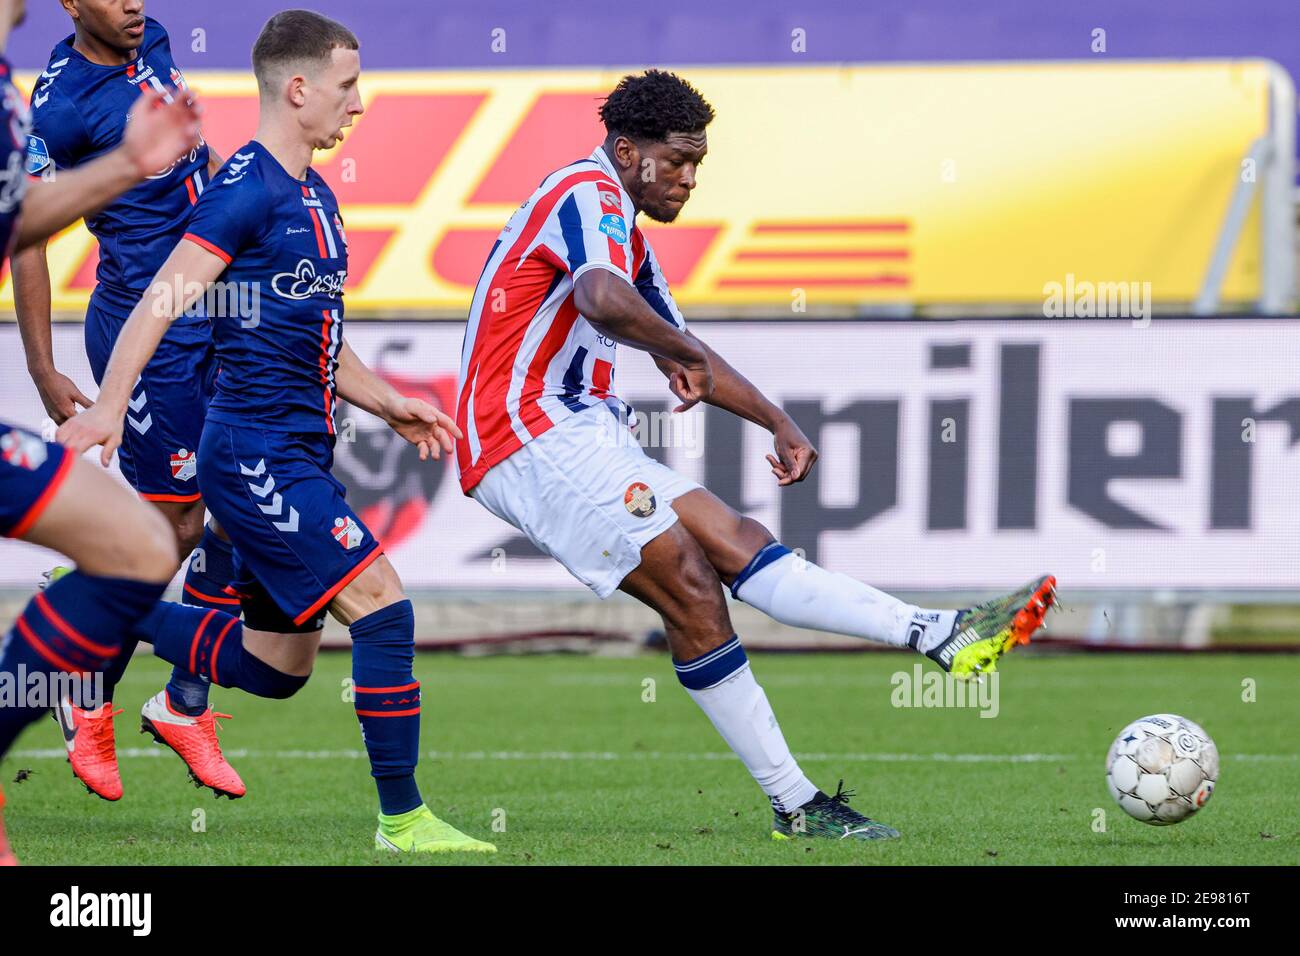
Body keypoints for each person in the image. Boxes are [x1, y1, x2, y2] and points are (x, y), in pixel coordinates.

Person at [455, 69, 1057, 841]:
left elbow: (688, 351)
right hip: (525, 434)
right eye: (676, 160)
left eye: (698, 164)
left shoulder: (622, 232)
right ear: (627, 148)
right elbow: (603, 302)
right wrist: (676, 351)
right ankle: (796, 803)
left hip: (579, 431)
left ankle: (937, 634)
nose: (689, 179)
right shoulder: (587, 193)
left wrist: (777, 420)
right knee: (690, 586)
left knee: (740, 544)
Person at [59, 9, 495, 855]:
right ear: (297, 90)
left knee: (275, 670)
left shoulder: (315, 194)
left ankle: (94, 603)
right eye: (347, 86)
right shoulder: (246, 188)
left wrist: (387, 400)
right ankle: (404, 821)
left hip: (303, 451)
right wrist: (110, 403)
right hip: (254, 452)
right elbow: (163, 297)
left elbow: (316, 335)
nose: (358, 104)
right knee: (384, 609)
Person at [13, 0, 241, 801]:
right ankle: (84, 687)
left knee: (244, 499)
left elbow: (195, 161)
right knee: (167, 528)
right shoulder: (59, 104)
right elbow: (28, 236)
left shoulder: (155, 39)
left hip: (218, 306)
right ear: (71, 4)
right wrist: (41, 366)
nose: (134, 1)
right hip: (150, 333)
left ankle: (183, 702)